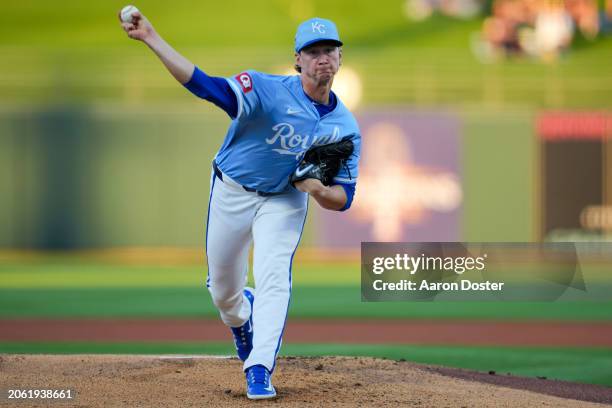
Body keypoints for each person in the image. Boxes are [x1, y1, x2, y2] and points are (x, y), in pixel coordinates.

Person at [119, 10, 361, 400]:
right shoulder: (266, 90)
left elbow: (344, 198)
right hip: (232, 191)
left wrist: (316, 189)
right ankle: (240, 318)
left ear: (339, 57)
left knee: (273, 279)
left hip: (284, 201)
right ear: (297, 59)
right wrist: (152, 38)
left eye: (329, 50)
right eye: (312, 51)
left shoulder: (345, 127)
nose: (322, 58)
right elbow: (207, 88)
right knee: (223, 294)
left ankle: (260, 368)